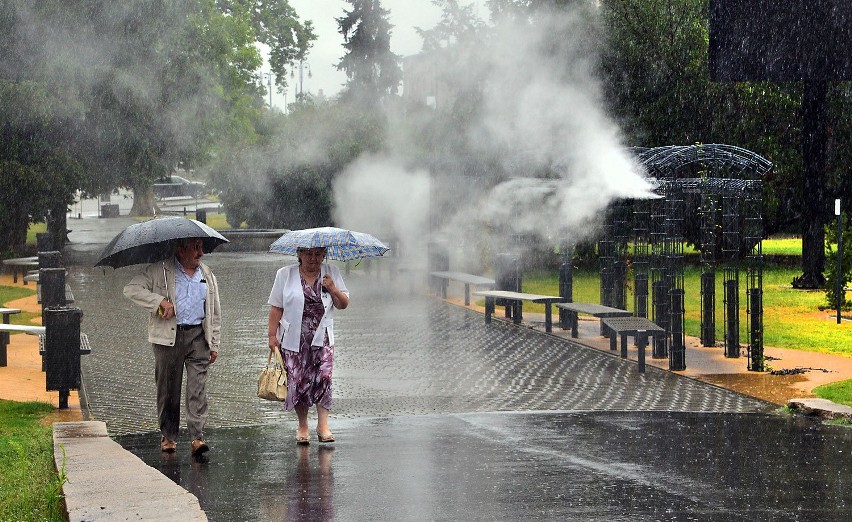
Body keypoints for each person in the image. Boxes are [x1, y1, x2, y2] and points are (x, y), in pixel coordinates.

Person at [124, 237, 221, 456]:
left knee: (198, 388)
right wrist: (158, 301)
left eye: (201, 247)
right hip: (169, 337)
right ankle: (168, 435)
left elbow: (214, 311)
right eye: (195, 248)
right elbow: (131, 289)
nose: (200, 253)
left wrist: (214, 342)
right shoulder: (160, 270)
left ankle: (197, 436)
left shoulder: (206, 274)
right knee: (168, 388)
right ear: (180, 249)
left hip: (198, 336)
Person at [267, 247, 349, 444]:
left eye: (318, 254)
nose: (313, 258)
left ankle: (323, 426)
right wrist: (271, 335)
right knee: (299, 381)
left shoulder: (332, 272)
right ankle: (303, 426)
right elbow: (276, 307)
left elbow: (343, 304)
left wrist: (333, 289)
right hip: (295, 339)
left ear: (323, 255)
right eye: (308, 254)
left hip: (323, 338)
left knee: (324, 378)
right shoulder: (285, 274)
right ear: (300, 254)